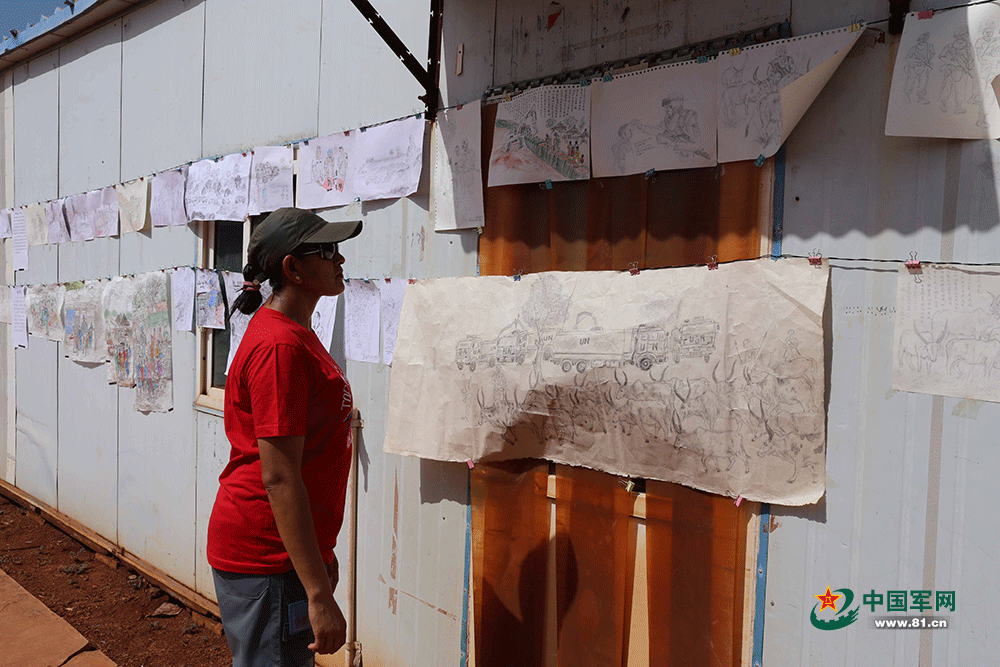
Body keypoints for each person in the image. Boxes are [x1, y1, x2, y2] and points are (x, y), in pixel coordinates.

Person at [207, 207, 363, 666]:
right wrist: (317, 592)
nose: (340, 260)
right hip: (267, 557)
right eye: (327, 251)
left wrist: (319, 555)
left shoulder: (293, 333)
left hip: (284, 554)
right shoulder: (280, 347)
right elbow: (279, 476)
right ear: (293, 269)